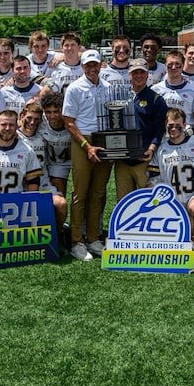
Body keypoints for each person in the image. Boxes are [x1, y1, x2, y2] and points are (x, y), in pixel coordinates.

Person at [62, 50, 113, 261]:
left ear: (101, 65)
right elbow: (69, 121)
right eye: (88, 65)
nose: (92, 69)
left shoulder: (109, 88)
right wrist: (86, 146)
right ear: (82, 67)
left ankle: (93, 238)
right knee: (80, 193)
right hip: (82, 141)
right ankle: (76, 241)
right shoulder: (74, 88)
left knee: (99, 192)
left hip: (104, 141)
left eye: (95, 65)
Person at [146, 108, 194, 255]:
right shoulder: (161, 149)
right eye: (170, 126)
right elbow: (154, 179)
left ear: (185, 124)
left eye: (177, 125)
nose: (173, 129)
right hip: (173, 199)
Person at [114, 60, 168, 201]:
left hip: (144, 160)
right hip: (123, 161)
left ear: (147, 75)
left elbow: (159, 129)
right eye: (135, 72)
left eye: (142, 72)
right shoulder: (120, 96)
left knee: (147, 202)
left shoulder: (156, 99)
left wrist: (151, 149)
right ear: (129, 75)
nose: (138, 75)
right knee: (124, 202)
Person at [151, 50, 194, 128]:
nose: (174, 67)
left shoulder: (192, 90)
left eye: (177, 64)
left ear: (183, 65)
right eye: (170, 64)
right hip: (161, 136)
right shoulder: (155, 90)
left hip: (184, 136)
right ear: (165, 66)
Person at [38, 93, 72, 197]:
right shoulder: (41, 123)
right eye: (48, 112)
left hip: (74, 160)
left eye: (56, 112)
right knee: (58, 192)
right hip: (56, 164)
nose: (52, 116)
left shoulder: (72, 122)